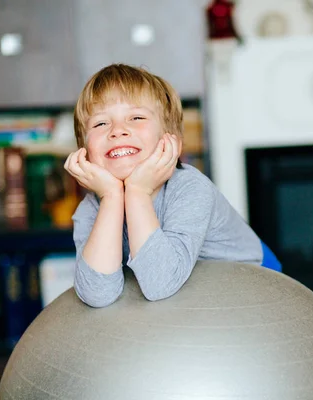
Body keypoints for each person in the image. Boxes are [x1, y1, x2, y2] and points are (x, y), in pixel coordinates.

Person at [64, 64, 281, 308]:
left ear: (171, 143)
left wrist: (136, 192)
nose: (118, 131)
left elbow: (160, 284)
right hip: (188, 301)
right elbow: (97, 294)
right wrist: (112, 198)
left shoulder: (191, 189)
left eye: (136, 118)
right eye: (100, 124)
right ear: (84, 151)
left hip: (255, 285)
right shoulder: (91, 208)